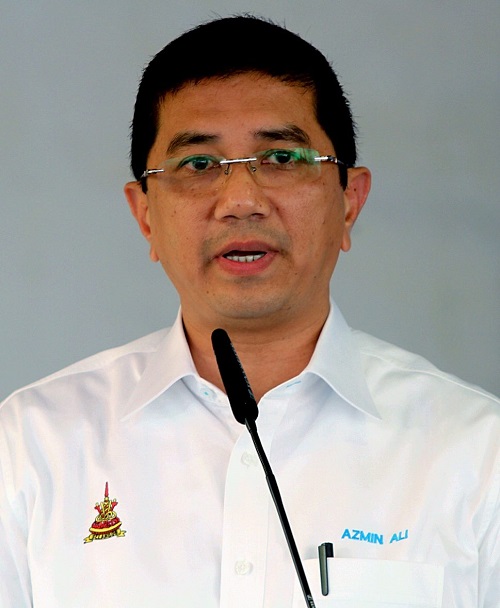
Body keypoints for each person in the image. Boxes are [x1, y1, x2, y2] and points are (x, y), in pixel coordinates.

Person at [1, 15, 498, 608]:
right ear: (145, 216)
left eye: (282, 157)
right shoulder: (32, 447)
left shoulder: (476, 454)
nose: (240, 201)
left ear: (349, 201)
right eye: (198, 165)